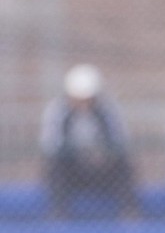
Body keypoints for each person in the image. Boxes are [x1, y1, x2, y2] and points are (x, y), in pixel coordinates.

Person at [39, 63, 137, 218]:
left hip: (103, 168)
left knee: (124, 165)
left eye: (87, 99)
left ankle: (130, 212)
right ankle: (59, 213)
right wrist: (78, 155)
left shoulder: (108, 110)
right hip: (71, 169)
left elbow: (120, 140)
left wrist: (103, 155)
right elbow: (51, 144)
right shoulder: (57, 111)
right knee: (54, 168)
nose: (83, 104)